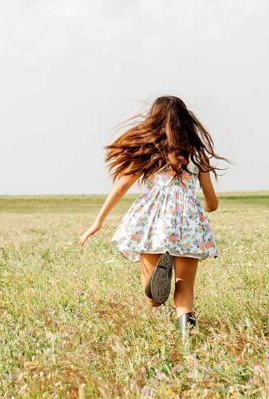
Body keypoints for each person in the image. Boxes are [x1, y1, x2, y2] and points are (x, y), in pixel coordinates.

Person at [78, 95, 227, 342]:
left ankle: (157, 285)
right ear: (186, 122)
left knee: (152, 298)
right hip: (187, 226)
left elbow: (121, 187)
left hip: (153, 224)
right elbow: (212, 202)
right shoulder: (198, 157)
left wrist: (98, 222)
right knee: (185, 287)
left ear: (154, 121)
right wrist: (203, 207)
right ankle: (186, 342)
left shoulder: (150, 152)